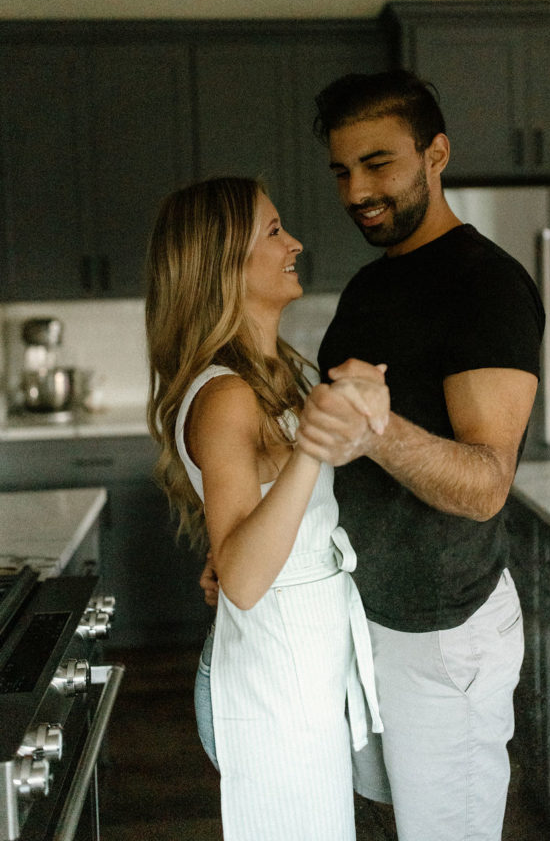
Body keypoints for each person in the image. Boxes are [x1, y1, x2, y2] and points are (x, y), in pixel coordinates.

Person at [292, 69, 545, 841]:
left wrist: (378, 429)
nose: (355, 191)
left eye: (378, 164)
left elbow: (483, 485)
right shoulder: (372, 285)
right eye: (341, 170)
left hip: (441, 631)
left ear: (435, 154)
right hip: (370, 615)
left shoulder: (485, 285)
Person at [145, 175, 386, 841]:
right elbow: (245, 580)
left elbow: (262, 534)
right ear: (224, 263)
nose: (296, 243)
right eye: (275, 231)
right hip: (270, 686)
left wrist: (358, 411)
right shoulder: (226, 397)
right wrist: (315, 440)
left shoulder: (283, 371)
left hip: (302, 669)